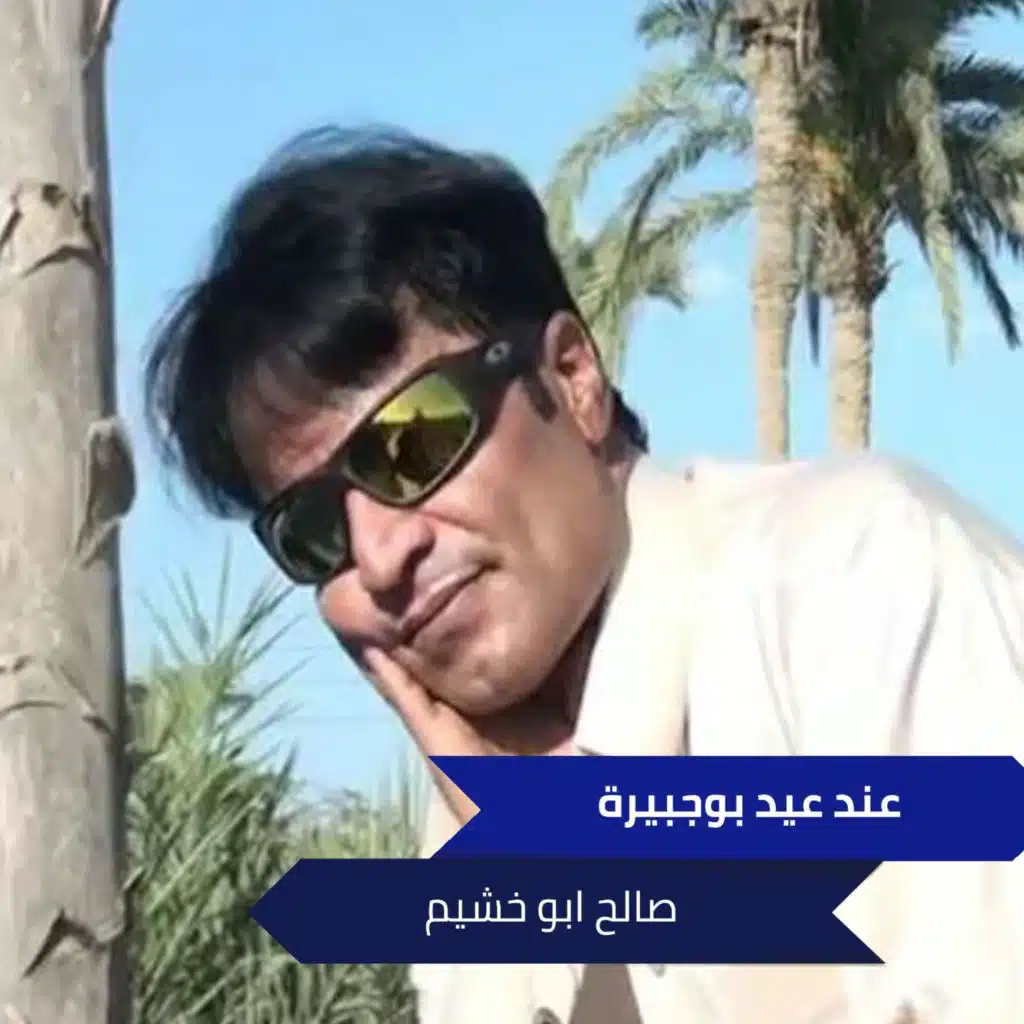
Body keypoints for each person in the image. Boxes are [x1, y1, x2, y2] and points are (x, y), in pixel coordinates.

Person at [143, 125, 1024, 1024]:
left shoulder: (851, 581)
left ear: (572, 377)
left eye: (413, 442)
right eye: (314, 527)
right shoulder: (474, 825)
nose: (378, 556)